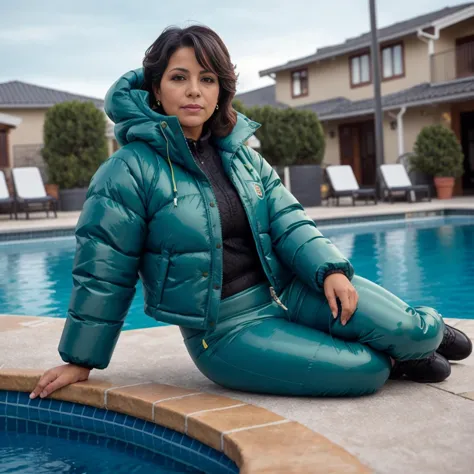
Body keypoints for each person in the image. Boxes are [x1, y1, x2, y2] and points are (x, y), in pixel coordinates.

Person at [31, 25, 471, 400]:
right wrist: (80, 359)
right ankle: (399, 357)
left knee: (416, 330)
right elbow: (105, 271)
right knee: (368, 370)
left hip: (292, 288)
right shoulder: (126, 171)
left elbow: (288, 221)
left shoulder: (241, 155)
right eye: (178, 77)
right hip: (226, 330)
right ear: (155, 89)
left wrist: (329, 271)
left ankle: (417, 339)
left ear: (220, 88)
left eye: (206, 79)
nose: (193, 91)